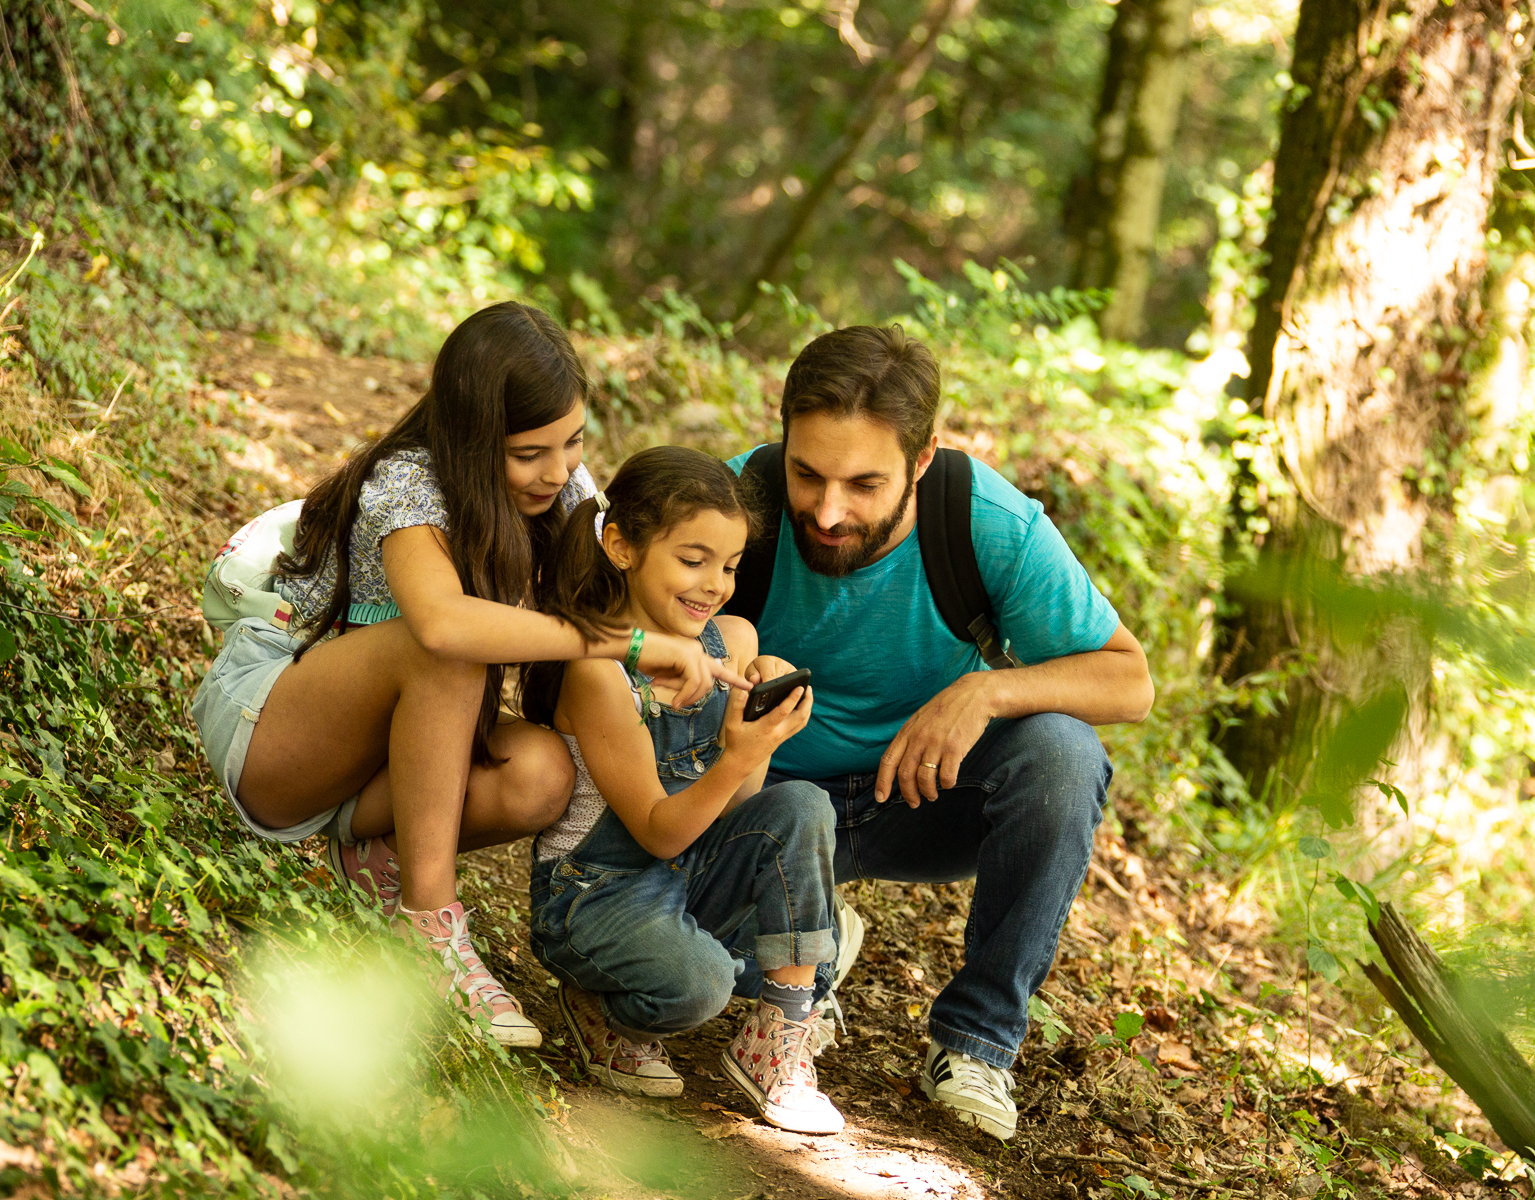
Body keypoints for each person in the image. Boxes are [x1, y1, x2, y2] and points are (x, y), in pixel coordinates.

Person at [189, 303, 744, 1049]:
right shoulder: (408, 484)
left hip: (384, 767)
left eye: (573, 442)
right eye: (529, 453)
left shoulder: (564, 490)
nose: (559, 470)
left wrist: (728, 648)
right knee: (448, 645)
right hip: (277, 732)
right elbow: (445, 624)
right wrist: (628, 644)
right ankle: (428, 927)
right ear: (473, 436)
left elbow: (627, 589)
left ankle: (375, 852)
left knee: (541, 773)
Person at [723, 325, 1155, 1140]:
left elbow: (1129, 681)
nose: (826, 510)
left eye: (863, 483)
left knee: (1064, 753)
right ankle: (809, 951)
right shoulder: (738, 504)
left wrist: (989, 691)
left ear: (921, 463)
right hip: (762, 805)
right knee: (682, 977)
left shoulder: (986, 522)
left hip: (916, 794)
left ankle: (977, 1043)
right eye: (807, 472)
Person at [521, 446, 847, 1135]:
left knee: (802, 805)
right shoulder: (601, 674)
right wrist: (736, 755)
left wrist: (754, 734)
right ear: (622, 548)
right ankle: (599, 1002)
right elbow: (656, 830)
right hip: (596, 891)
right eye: (693, 561)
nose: (715, 586)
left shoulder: (731, 640)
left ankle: (779, 1036)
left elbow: (738, 808)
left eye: (729, 566)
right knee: (700, 986)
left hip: (685, 870)